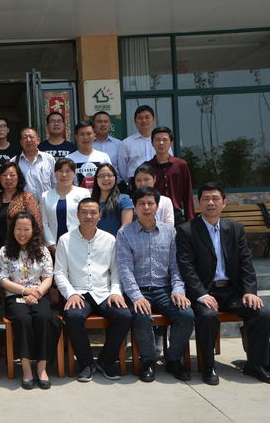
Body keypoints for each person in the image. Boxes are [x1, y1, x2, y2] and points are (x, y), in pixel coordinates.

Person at [176, 182, 270, 385]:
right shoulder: (187, 230)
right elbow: (186, 267)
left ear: (224, 202)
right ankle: (208, 366)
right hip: (205, 292)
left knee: (261, 313)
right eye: (206, 199)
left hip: (232, 291)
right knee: (208, 316)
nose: (211, 202)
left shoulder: (235, 229)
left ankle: (256, 364)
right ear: (199, 203)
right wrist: (201, 294)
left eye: (215, 198)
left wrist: (249, 291)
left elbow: (246, 263)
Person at [116, 186, 194, 383]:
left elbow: (176, 267)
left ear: (157, 206)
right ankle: (148, 361)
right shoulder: (124, 233)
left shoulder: (170, 232)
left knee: (186, 315)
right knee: (141, 316)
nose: (146, 207)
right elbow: (125, 270)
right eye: (141, 203)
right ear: (135, 207)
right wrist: (136, 297)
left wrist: (178, 290)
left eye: (150, 203)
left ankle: (173, 359)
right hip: (139, 290)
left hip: (165, 290)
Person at [54, 198, 131, 382]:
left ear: (99, 216)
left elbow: (116, 270)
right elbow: (59, 272)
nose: (88, 216)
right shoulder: (65, 240)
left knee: (124, 315)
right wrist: (71, 294)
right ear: (77, 215)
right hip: (79, 292)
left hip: (104, 292)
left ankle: (106, 361)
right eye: (84, 212)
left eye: (93, 212)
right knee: (73, 316)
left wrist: (115, 292)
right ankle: (86, 363)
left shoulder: (109, 239)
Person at [0, 212, 58, 390]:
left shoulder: (42, 250)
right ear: (12, 230)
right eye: (18, 229)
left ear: (33, 230)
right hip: (15, 296)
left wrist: (36, 292)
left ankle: (41, 368)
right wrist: (24, 291)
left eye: (26, 229)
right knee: (22, 319)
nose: (22, 233)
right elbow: (2, 279)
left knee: (43, 318)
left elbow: (48, 277)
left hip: (39, 295)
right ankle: (26, 369)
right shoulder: (4, 251)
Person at [0, 161, 42, 250]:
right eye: (4, 175)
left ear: (18, 177)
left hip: (20, 249)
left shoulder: (27, 198)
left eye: (12, 175)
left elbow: (37, 225)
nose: (8, 178)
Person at [40, 157, 90, 254]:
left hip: (79, 243)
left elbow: (87, 219)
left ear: (74, 174)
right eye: (60, 171)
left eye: (68, 171)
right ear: (55, 174)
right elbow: (44, 223)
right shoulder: (45, 196)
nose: (64, 175)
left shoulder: (83, 193)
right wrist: (51, 244)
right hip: (54, 246)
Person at [146, 126, 194, 225]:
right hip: (154, 215)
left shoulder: (181, 165)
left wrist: (190, 220)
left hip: (177, 215)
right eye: (157, 140)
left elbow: (187, 193)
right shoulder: (147, 167)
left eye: (165, 140)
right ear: (152, 143)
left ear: (171, 142)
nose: (161, 143)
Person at [117, 105, 171, 187]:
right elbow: (122, 170)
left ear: (154, 119)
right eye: (140, 118)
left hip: (160, 182)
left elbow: (169, 160)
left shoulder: (162, 141)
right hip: (136, 184)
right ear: (135, 121)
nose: (144, 120)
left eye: (147, 117)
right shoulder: (126, 143)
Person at [67, 121, 112, 191]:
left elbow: (110, 179)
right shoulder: (69, 159)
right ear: (76, 137)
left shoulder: (103, 157)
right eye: (82, 134)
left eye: (89, 134)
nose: (85, 137)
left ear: (94, 135)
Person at [91, 163, 134, 236]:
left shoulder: (124, 199)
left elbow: (126, 226)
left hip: (117, 241)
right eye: (102, 176)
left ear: (115, 178)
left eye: (109, 175)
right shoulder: (90, 202)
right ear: (96, 179)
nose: (106, 178)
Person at [16, 127, 57, 202]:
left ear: (38, 140)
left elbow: (55, 183)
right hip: (24, 205)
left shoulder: (49, 159)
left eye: (31, 137)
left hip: (47, 203)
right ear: (21, 142)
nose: (28, 140)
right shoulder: (15, 162)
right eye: (25, 137)